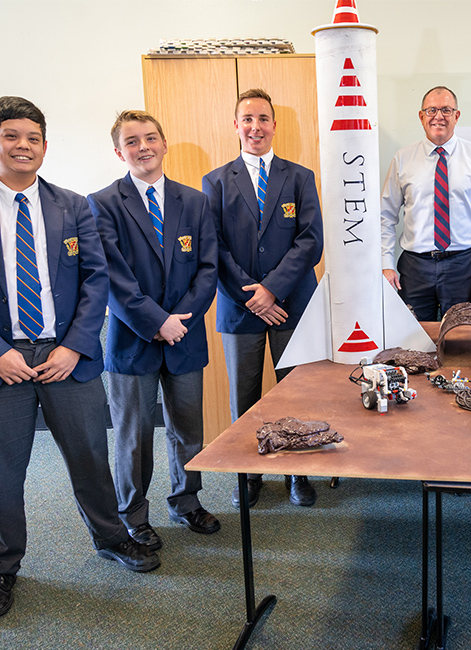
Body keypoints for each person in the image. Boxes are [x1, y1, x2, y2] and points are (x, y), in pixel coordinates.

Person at [0, 96, 159, 620]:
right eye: (12, 136)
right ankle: (1, 567)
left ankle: (112, 537)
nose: (23, 146)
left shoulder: (73, 205)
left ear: (44, 146)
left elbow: (95, 280)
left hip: (67, 360)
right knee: (1, 475)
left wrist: (75, 345)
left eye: (33, 138)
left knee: (91, 460)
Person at [87, 110, 220, 550]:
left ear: (164, 143)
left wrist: (178, 320)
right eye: (132, 141)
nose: (143, 147)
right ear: (118, 151)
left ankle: (186, 500)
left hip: (184, 336)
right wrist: (155, 321)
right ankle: (133, 515)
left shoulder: (194, 201)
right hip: (132, 340)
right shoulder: (102, 203)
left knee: (188, 428)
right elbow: (111, 275)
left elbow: (207, 269)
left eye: (150, 138)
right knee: (134, 435)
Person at [202, 88, 324, 509]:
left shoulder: (300, 177)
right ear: (236, 125)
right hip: (240, 309)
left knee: (294, 392)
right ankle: (250, 473)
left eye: (263, 119)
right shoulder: (215, 181)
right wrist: (253, 296)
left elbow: (311, 242)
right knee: (245, 395)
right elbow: (214, 248)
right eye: (247, 119)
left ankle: (297, 472)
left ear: (275, 125)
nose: (256, 127)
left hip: (290, 304)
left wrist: (272, 289)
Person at [380, 85, 471, 321]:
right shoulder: (402, 158)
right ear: (421, 116)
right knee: (412, 342)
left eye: (446, 110)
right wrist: (386, 264)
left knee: (462, 341)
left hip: (463, 267)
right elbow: (385, 217)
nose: (439, 116)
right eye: (432, 110)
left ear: (457, 116)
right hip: (414, 267)